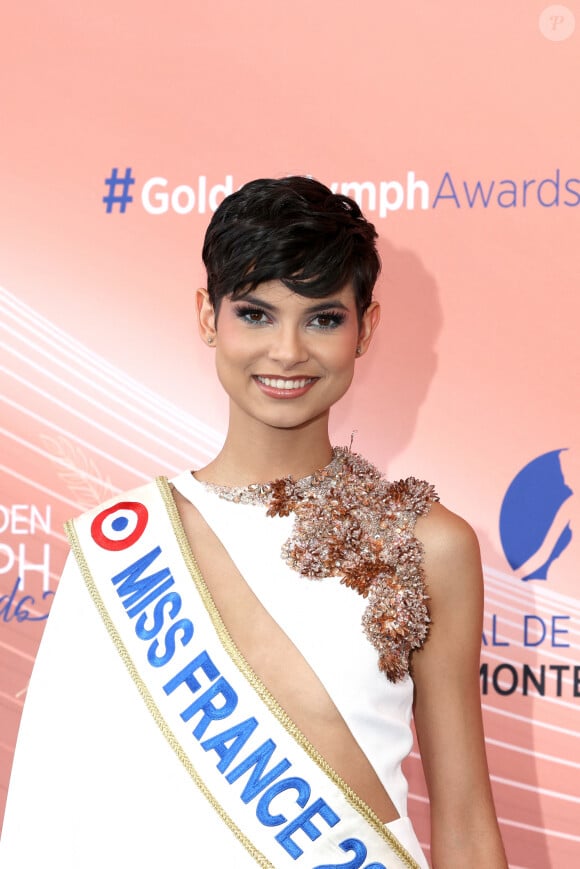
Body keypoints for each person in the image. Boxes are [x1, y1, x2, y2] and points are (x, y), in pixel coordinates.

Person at [0, 177, 507, 868]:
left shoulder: (427, 544)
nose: (288, 351)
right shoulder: (122, 542)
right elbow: (53, 810)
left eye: (324, 317)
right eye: (256, 314)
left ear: (367, 326)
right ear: (209, 317)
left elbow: (467, 824)